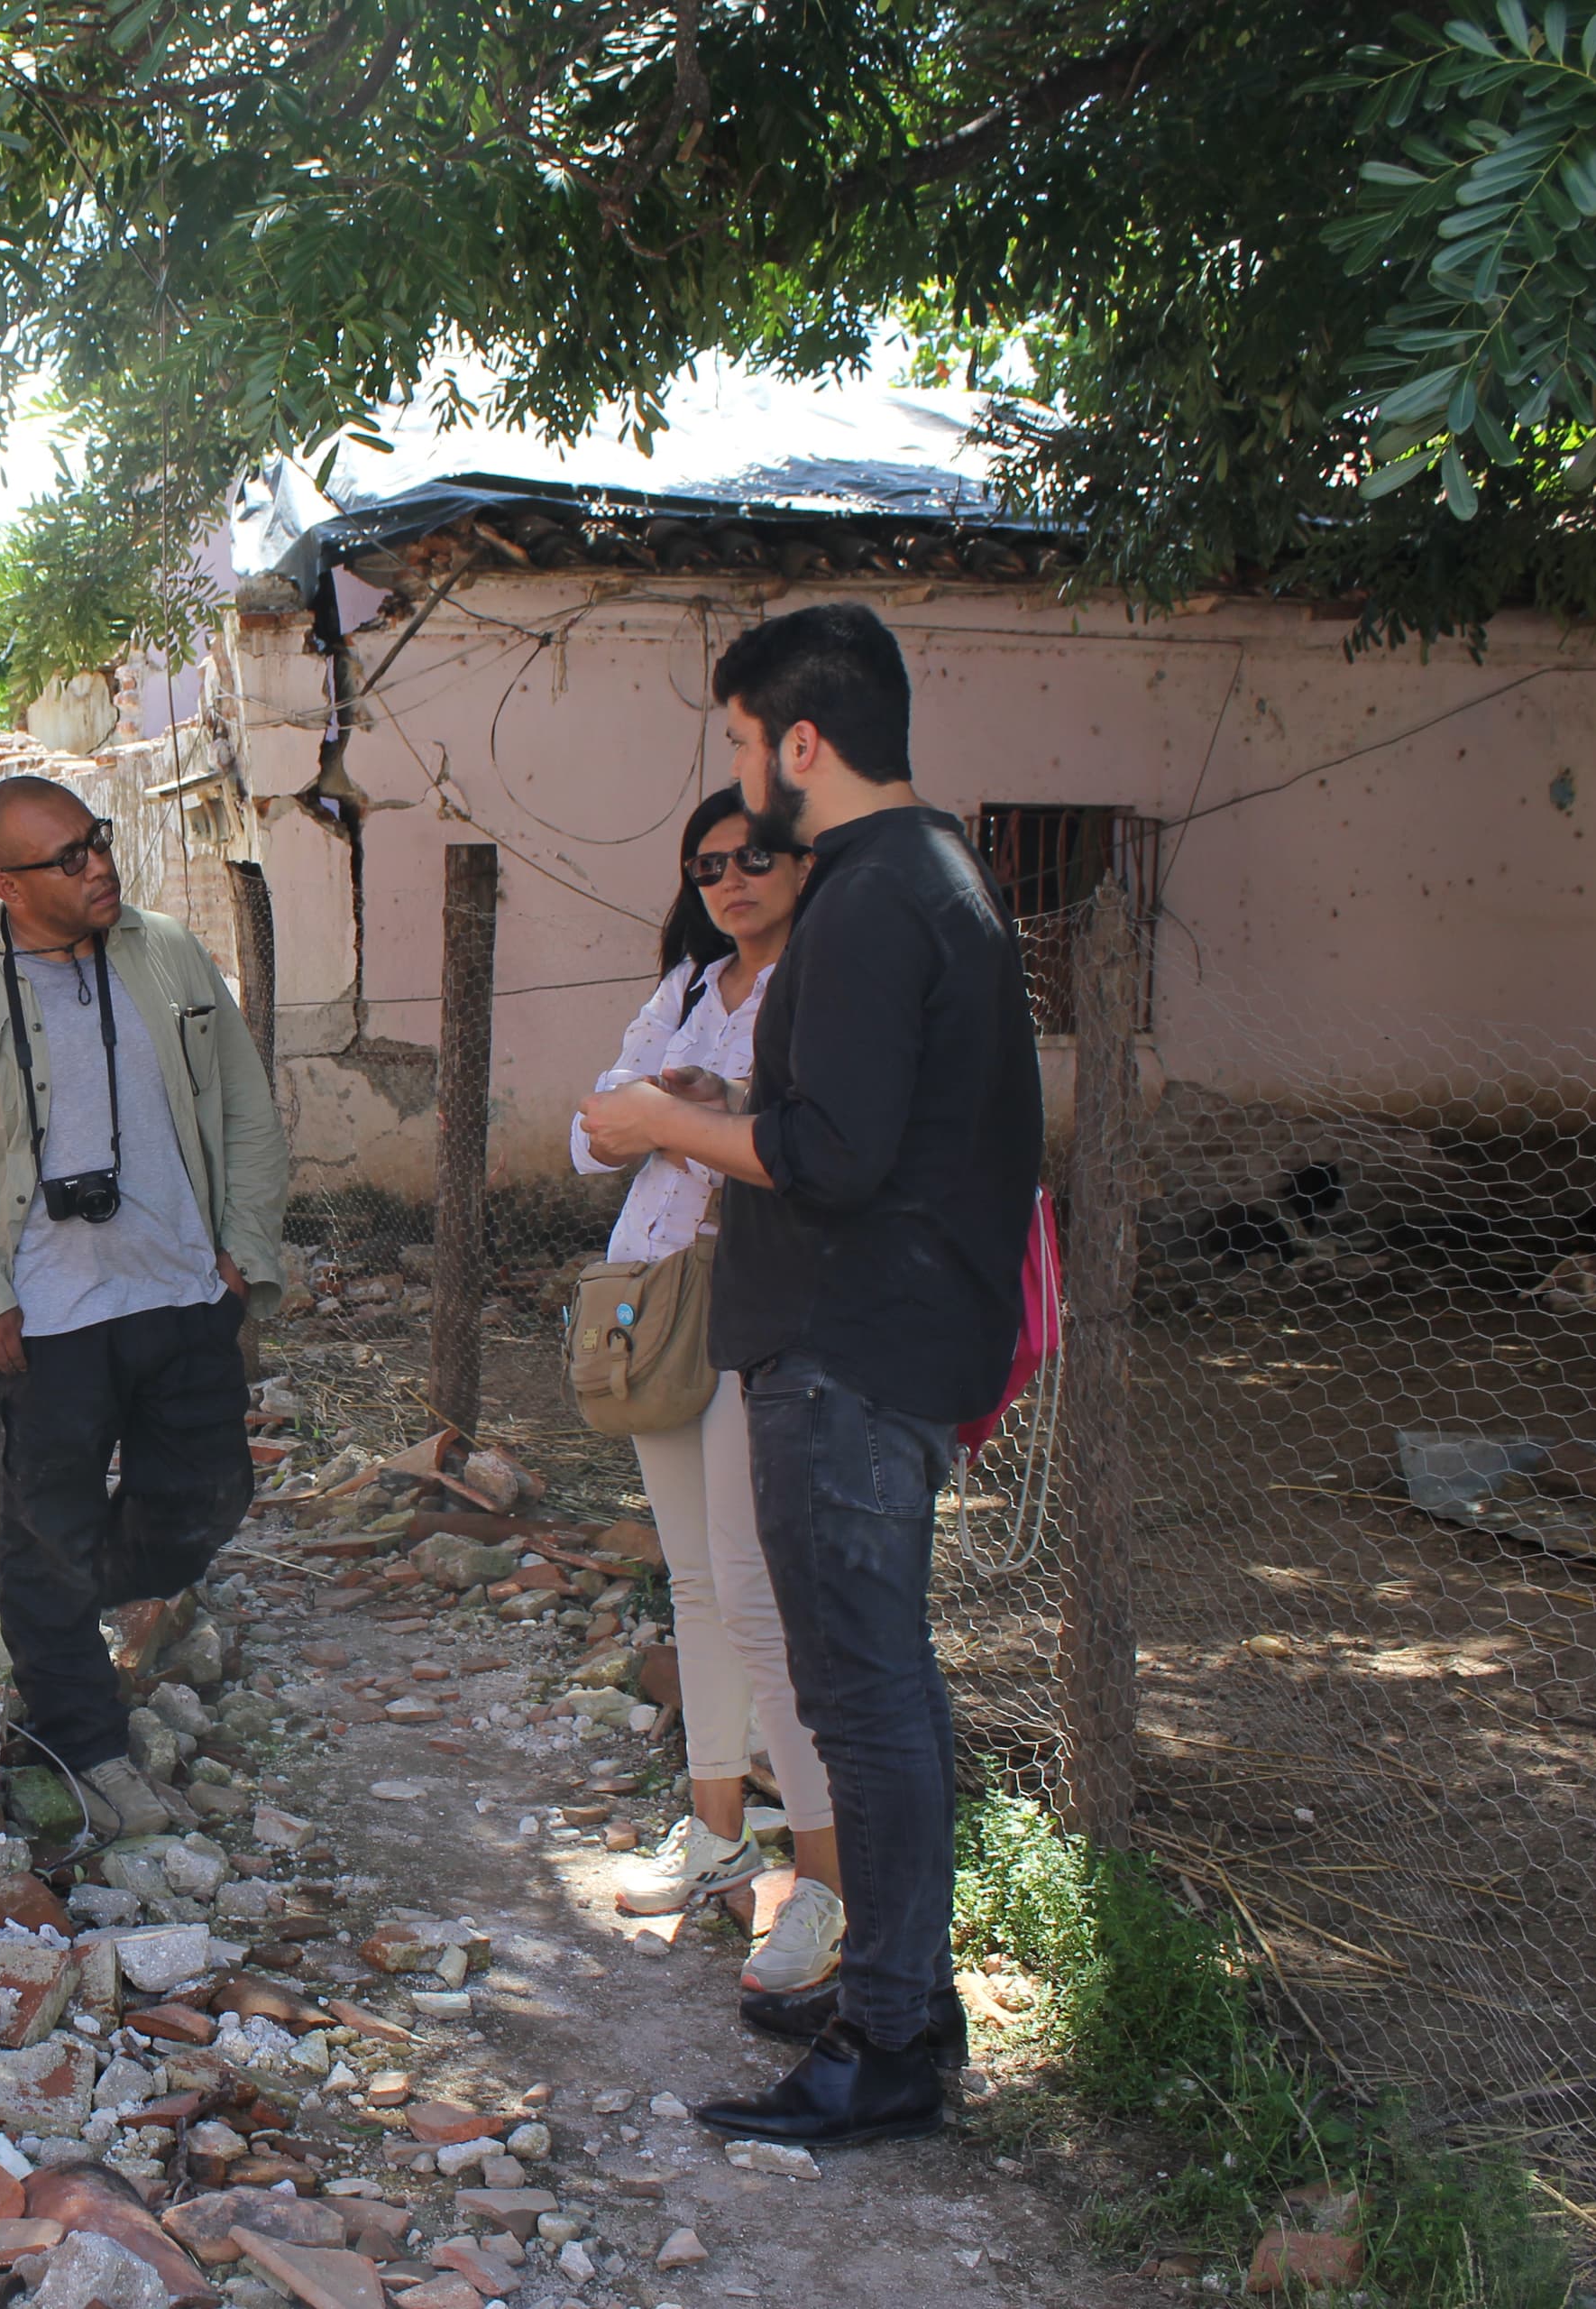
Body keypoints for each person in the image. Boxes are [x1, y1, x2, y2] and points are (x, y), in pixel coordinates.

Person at [577, 603, 1041, 2149]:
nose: (729, 779)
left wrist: (660, 1124)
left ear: (799, 744)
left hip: (851, 1349)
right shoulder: (934, 876)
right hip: (875, 1339)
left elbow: (824, 1161)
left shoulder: (869, 896)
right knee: (870, 1688)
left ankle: (892, 2042)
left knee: (867, 1696)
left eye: (733, 741)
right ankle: (901, 2000)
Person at [0, 776, 291, 1842]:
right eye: (66, 858)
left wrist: (243, 1252)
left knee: (200, 1508)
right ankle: (80, 1736)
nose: (97, 865)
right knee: (48, 1528)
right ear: (6, 883)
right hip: (41, 1318)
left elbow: (244, 1108)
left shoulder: (170, 953)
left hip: (184, 1290)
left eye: (96, 842)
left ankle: (42, 1593)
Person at [576, 792, 848, 2004]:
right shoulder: (688, 987)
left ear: (803, 861)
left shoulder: (826, 987)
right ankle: (716, 1834)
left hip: (771, 1304)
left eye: (754, 858)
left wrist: (674, 1115)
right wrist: (670, 1113)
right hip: (663, 1295)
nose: (731, 882)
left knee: (755, 1590)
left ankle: (826, 1880)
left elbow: (809, 1144)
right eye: (707, 866)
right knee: (693, 1578)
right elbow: (593, 1131)